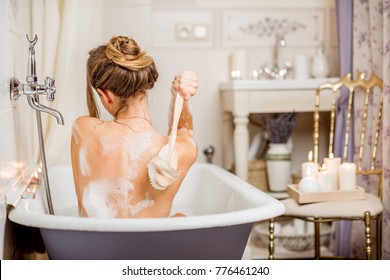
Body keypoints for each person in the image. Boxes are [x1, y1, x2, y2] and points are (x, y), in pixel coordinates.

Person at [71, 35, 198, 218]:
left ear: (105, 95)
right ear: (144, 83)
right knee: (180, 219)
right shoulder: (180, 153)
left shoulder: (83, 130)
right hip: (147, 247)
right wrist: (180, 97)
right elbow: (183, 130)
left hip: (94, 245)